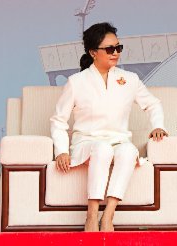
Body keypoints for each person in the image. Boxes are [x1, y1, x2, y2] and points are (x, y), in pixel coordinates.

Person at [50, 22, 167, 232]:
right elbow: (58, 120)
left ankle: (108, 216)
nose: (116, 53)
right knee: (102, 149)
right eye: (110, 49)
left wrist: (158, 126)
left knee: (129, 151)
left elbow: (153, 104)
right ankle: (91, 216)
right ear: (93, 52)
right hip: (87, 142)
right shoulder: (76, 82)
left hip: (119, 141)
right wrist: (61, 151)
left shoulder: (129, 79)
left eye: (118, 48)